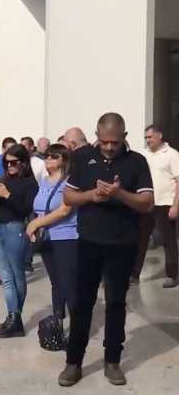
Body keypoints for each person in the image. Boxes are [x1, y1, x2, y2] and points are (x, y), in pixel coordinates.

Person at [59, 113, 153, 387]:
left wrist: (118, 194)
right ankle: (73, 362)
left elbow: (147, 203)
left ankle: (112, 360)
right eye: (104, 141)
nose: (109, 147)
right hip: (89, 241)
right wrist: (90, 195)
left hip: (122, 243)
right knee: (82, 303)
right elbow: (68, 196)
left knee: (115, 303)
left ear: (124, 137)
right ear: (97, 136)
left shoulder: (137, 162)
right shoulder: (82, 158)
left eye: (115, 141)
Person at [0, 144, 38, 338]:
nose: (9, 166)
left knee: (16, 276)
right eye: (6, 163)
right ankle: (13, 317)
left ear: (23, 163)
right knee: (6, 277)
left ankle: (14, 317)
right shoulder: (3, 180)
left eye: (14, 163)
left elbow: (25, 210)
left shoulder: (30, 183)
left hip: (15, 228)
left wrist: (7, 195)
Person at [25, 144, 78, 324]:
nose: (48, 159)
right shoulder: (43, 181)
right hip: (46, 237)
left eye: (54, 156)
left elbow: (64, 210)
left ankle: (77, 325)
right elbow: (39, 208)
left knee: (68, 282)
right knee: (56, 282)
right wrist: (35, 226)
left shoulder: (69, 182)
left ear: (64, 160)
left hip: (66, 237)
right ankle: (58, 320)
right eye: (47, 155)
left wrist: (36, 223)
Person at [132, 125, 179, 287]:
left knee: (168, 240)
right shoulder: (143, 155)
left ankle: (172, 275)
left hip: (165, 204)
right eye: (146, 137)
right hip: (146, 203)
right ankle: (134, 274)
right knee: (140, 240)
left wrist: (175, 205)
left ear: (159, 136)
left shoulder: (172, 155)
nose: (147, 140)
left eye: (150, 137)